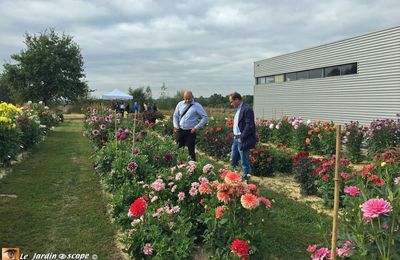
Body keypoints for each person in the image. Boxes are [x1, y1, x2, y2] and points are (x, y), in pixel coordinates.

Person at [173, 90, 208, 161]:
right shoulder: (180, 104)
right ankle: (177, 165)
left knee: (191, 152)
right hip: (180, 130)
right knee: (177, 150)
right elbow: (175, 116)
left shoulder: (197, 106)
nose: (188, 100)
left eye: (189, 98)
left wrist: (196, 127)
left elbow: (205, 117)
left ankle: (193, 168)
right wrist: (176, 126)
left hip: (190, 132)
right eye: (186, 98)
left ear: (192, 97)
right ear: (183, 97)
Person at [229, 92, 256, 180]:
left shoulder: (247, 109)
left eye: (232, 101)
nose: (231, 104)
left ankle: (245, 180)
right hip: (235, 139)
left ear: (237, 99)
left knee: (244, 161)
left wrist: (242, 137)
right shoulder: (239, 109)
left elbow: (250, 125)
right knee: (233, 159)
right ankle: (231, 178)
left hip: (242, 139)